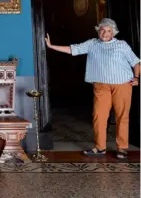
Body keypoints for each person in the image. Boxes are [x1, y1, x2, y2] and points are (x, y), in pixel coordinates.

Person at [45, 18, 140, 159]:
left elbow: (136, 62)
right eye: (102, 30)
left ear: (113, 33)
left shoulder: (122, 45)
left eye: (109, 31)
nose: (105, 33)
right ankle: (100, 147)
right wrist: (52, 46)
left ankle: (122, 148)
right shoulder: (92, 44)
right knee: (98, 116)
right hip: (101, 86)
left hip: (122, 84)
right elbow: (73, 49)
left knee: (122, 116)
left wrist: (136, 77)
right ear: (98, 30)